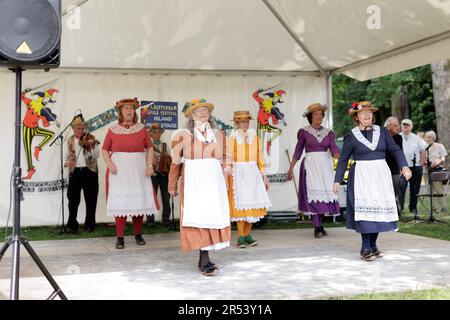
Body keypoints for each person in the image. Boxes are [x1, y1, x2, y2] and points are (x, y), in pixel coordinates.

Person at [333, 101, 411, 261]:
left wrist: (404, 166)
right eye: (363, 113)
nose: (367, 115)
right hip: (362, 175)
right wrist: (337, 180)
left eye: (369, 112)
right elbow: (343, 160)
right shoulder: (351, 136)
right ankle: (365, 247)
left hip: (380, 174)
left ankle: (373, 245)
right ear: (356, 117)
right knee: (365, 211)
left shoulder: (382, 132)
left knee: (378, 210)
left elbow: (395, 149)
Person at [168, 98, 231, 276]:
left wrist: (228, 165)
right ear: (192, 115)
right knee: (198, 216)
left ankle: (204, 257)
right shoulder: (183, 135)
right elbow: (175, 162)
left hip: (213, 179)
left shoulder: (218, 135)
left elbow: (226, 155)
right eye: (198, 110)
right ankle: (204, 259)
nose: (203, 113)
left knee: (210, 215)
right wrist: (172, 184)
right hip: (194, 179)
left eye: (205, 110)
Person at [102, 98, 158, 249]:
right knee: (121, 202)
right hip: (119, 170)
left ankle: (138, 234)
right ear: (120, 111)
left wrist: (149, 166)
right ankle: (120, 237)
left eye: (131, 108)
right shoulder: (113, 129)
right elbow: (104, 149)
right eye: (126, 108)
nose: (129, 111)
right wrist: (110, 163)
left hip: (138, 168)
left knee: (137, 201)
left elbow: (150, 148)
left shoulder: (142, 128)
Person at [287, 103, 340, 238]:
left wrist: (343, 159)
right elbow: (298, 151)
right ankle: (317, 226)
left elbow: (334, 150)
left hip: (325, 166)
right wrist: (290, 169)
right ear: (311, 117)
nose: (319, 117)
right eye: (316, 114)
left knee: (325, 195)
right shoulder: (304, 132)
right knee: (314, 196)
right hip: (310, 166)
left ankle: (320, 225)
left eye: (321, 114)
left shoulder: (329, 133)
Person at [227, 111, 271, 248]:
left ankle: (247, 235)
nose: (245, 124)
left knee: (253, 203)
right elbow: (228, 156)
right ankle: (240, 236)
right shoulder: (232, 137)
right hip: (238, 172)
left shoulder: (255, 137)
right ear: (237, 123)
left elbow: (260, 156)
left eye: (247, 121)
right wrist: (228, 169)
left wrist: (264, 175)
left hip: (252, 172)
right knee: (241, 205)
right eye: (242, 121)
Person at [64, 116, 99, 233]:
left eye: (82, 129)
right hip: (75, 173)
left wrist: (92, 146)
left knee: (91, 200)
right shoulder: (69, 140)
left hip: (89, 172)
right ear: (73, 129)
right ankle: (72, 225)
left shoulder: (90, 138)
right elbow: (66, 157)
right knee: (72, 200)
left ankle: (90, 224)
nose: (80, 131)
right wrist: (66, 163)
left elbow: (96, 155)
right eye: (77, 128)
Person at [147, 123, 172, 226]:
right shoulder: (148, 146)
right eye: (154, 132)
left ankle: (166, 219)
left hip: (164, 175)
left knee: (166, 197)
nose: (157, 134)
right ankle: (150, 221)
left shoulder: (165, 146)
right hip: (153, 175)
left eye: (159, 132)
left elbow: (170, 159)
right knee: (151, 198)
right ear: (151, 134)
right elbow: (145, 160)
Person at [399, 119, 425, 215]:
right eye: (403, 125)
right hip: (403, 167)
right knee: (401, 187)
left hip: (416, 167)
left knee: (414, 188)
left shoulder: (416, 138)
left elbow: (423, 151)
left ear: (411, 126)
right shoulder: (398, 137)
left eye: (407, 125)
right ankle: (400, 208)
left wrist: (421, 164)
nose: (405, 127)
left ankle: (413, 207)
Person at [424, 130, 448, 213]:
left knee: (438, 189)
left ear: (433, 138)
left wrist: (437, 162)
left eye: (429, 137)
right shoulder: (424, 147)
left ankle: (443, 207)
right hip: (427, 171)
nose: (427, 138)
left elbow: (443, 158)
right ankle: (433, 208)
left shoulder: (439, 146)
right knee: (429, 190)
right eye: (426, 137)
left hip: (437, 171)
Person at [384, 116, 403, 216]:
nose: (398, 127)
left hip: (395, 169)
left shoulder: (398, 138)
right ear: (388, 126)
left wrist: (402, 167)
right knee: (384, 191)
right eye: (395, 125)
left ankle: (396, 211)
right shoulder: (381, 137)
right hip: (383, 169)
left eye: (398, 125)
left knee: (395, 190)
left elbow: (400, 153)